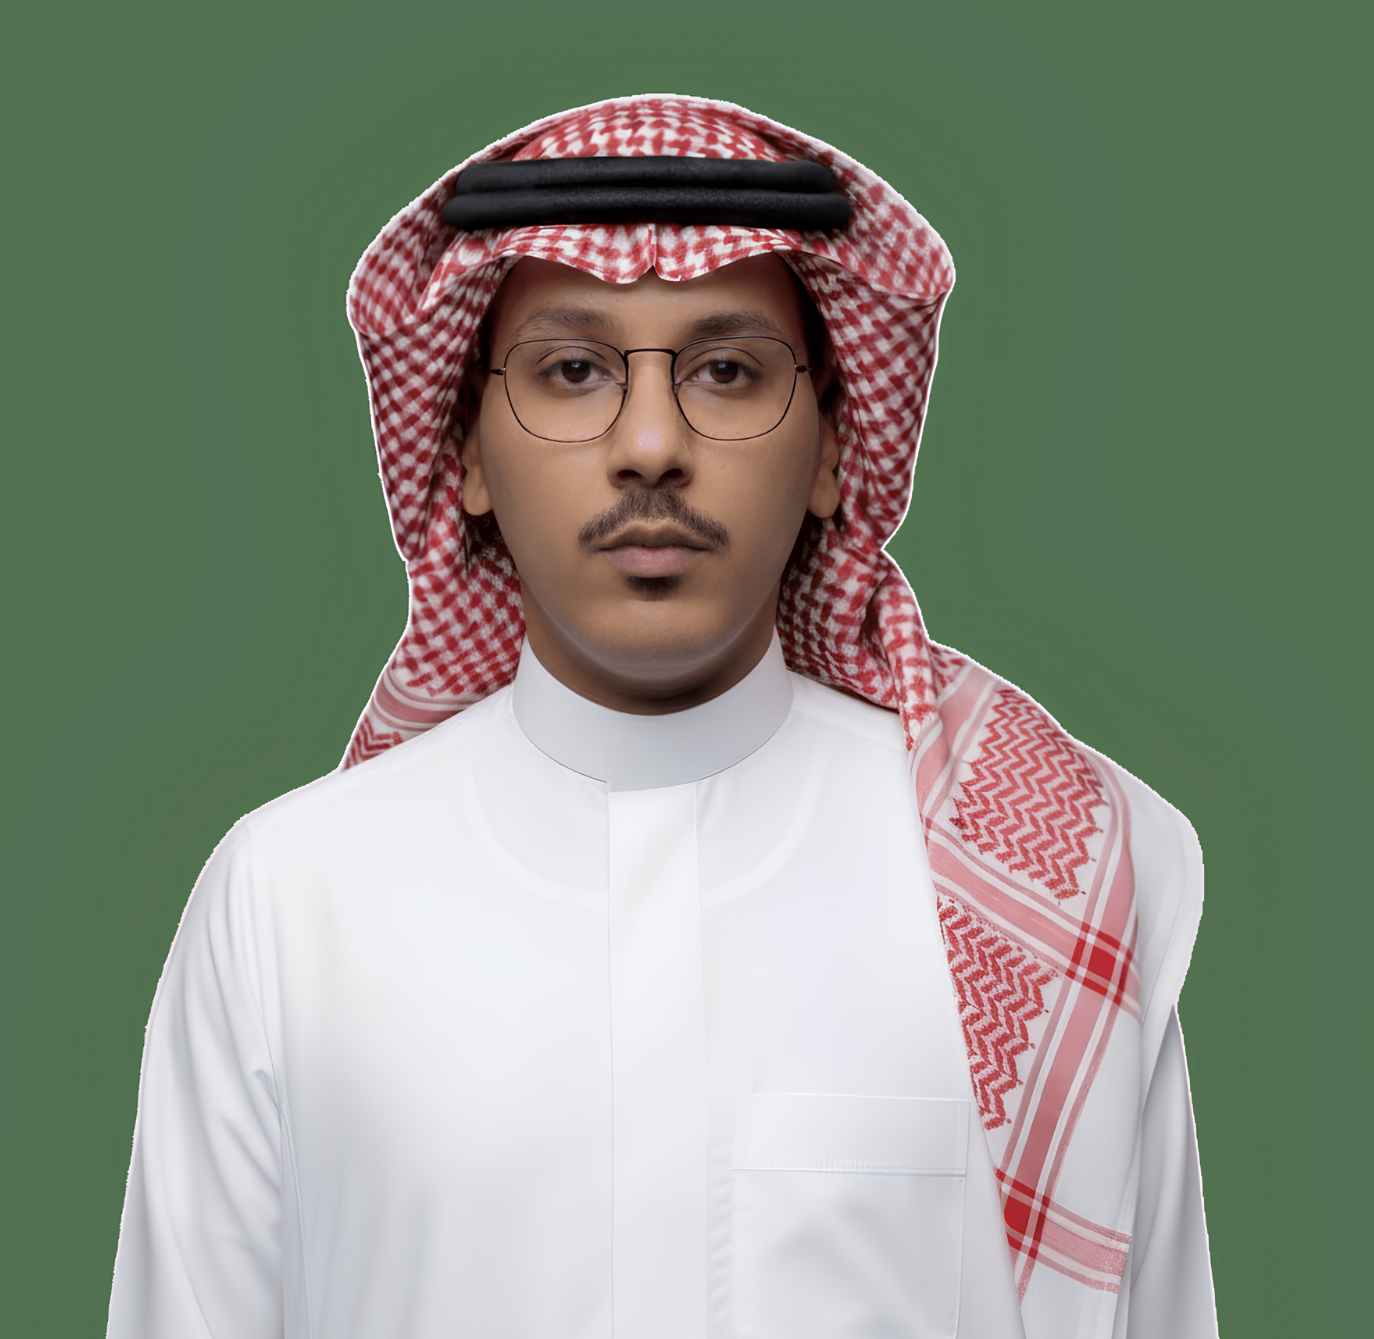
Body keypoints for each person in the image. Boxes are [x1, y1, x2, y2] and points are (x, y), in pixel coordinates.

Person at [107, 96, 1217, 1339]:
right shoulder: (289, 901)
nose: (649, 444)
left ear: (835, 448)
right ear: (463, 452)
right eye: (572, 371)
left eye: (728, 371)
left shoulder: (1049, 892)